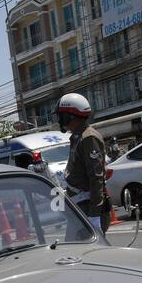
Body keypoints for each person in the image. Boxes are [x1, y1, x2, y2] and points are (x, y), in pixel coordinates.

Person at [58, 92, 112, 235]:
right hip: (80, 206)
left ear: (70, 116)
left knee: (85, 253)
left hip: (88, 208)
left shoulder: (88, 138)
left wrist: (94, 215)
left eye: (62, 116)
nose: (60, 120)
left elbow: (96, 177)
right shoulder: (78, 137)